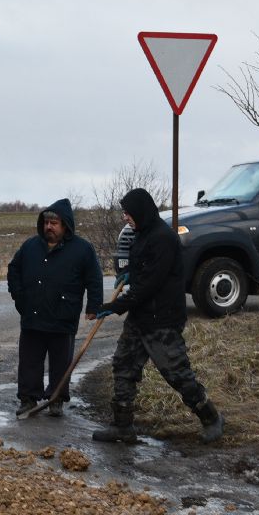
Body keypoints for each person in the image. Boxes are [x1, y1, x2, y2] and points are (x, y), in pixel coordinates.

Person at [91, 189, 224, 444]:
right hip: (140, 317)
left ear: (140, 211)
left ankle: (211, 417)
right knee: (123, 366)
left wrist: (116, 305)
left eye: (128, 213)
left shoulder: (163, 238)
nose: (125, 217)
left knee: (177, 373)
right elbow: (144, 269)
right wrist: (129, 273)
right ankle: (122, 426)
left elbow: (150, 284)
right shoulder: (142, 234)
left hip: (162, 319)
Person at [6, 198, 106, 416]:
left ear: (65, 225)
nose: (49, 227)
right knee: (29, 361)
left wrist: (94, 306)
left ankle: (56, 399)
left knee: (61, 362)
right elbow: (14, 269)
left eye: (54, 223)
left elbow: (94, 279)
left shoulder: (82, 249)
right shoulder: (31, 246)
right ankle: (28, 398)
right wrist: (19, 296)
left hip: (63, 316)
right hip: (32, 315)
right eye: (46, 222)